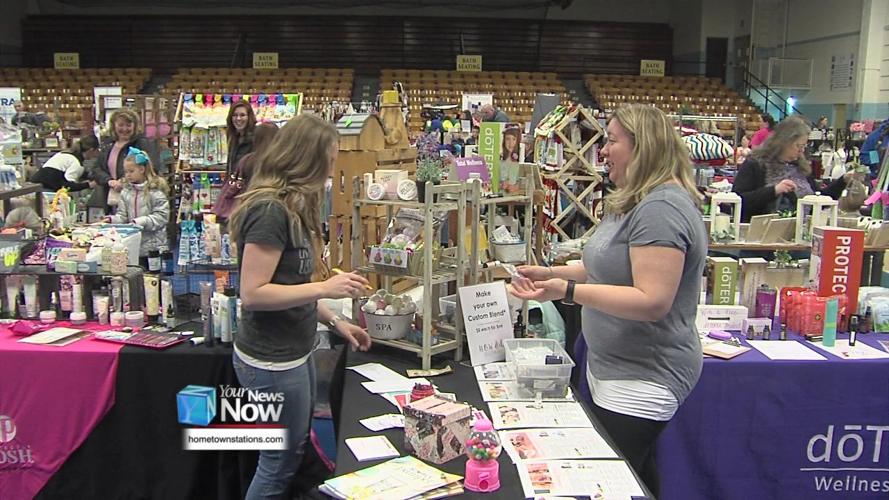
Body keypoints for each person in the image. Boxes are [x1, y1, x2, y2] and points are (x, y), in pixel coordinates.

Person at [510, 104, 706, 497]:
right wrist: (553, 274)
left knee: (607, 483)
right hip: (614, 370)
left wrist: (567, 292)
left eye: (612, 141)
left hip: (642, 378)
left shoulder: (661, 209)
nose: (602, 151)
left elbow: (651, 300)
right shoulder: (635, 200)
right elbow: (608, 269)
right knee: (636, 478)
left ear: (643, 147)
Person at [229, 114, 371, 499]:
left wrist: (335, 320)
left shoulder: (296, 206)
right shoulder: (271, 211)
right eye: (330, 157)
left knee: (290, 453)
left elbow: (293, 285)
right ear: (308, 158)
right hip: (271, 362)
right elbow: (255, 292)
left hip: (294, 352)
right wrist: (326, 287)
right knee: (278, 462)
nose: (333, 166)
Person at [732, 116, 849, 222]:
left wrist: (843, 181)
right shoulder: (756, 164)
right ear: (783, 142)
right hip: (760, 237)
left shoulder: (801, 168)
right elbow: (738, 201)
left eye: (804, 146)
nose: (801, 150)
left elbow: (818, 200)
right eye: (798, 146)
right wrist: (774, 190)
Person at [107, 147, 170, 264]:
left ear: (141, 169)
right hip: (133, 245)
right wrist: (111, 219)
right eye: (126, 172)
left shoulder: (155, 191)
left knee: (153, 278)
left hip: (153, 246)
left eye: (131, 171)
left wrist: (142, 221)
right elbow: (122, 215)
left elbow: (162, 217)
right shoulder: (126, 192)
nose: (128, 175)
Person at [89, 109, 157, 213]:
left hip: (137, 199)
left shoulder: (142, 144)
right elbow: (96, 169)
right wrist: (109, 181)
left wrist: (124, 182)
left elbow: (151, 167)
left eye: (128, 125)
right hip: (111, 198)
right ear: (114, 126)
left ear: (135, 126)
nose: (125, 129)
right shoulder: (108, 145)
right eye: (121, 125)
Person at [31, 135, 100, 192]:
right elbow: (68, 186)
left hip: (36, 184)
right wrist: (88, 185)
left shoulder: (64, 154)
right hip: (44, 190)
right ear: (91, 150)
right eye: (97, 150)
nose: (97, 154)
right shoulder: (76, 163)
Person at [226, 100, 256, 176]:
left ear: (249, 117)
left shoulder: (255, 138)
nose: (238, 118)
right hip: (235, 184)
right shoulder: (233, 137)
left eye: (242, 115)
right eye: (235, 115)